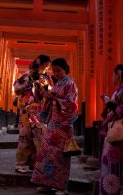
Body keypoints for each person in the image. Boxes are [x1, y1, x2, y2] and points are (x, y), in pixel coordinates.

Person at [31, 58, 78, 195]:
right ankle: (46, 183)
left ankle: (61, 187)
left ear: (65, 69)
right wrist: (48, 96)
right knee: (46, 153)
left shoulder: (70, 83)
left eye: (59, 70)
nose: (56, 73)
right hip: (53, 125)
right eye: (54, 70)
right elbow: (53, 100)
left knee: (60, 157)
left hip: (63, 126)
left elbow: (71, 104)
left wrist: (54, 98)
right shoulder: (58, 84)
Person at [13, 55, 51, 173]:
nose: (47, 67)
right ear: (41, 64)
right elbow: (17, 88)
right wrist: (30, 84)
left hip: (40, 110)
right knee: (25, 136)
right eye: (46, 65)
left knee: (39, 136)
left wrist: (47, 88)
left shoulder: (45, 76)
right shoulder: (28, 75)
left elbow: (49, 91)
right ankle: (20, 163)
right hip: (27, 110)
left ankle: (35, 162)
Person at [98, 64, 123, 195]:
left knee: (113, 166)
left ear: (119, 74)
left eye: (113, 74)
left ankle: (110, 192)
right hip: (114, 132)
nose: (112, 77)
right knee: (109, 165)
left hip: (118, 134)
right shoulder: (121, 90)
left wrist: (109, 103)